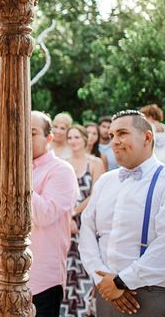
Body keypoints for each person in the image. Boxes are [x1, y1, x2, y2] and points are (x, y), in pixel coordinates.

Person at [79, 110, 165, 316]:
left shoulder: (164, 181)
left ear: (147, 137)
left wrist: (122, 281)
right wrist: (103, 279)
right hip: (105, 293)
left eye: (122, 133)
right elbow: (87, 230)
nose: (115, 141)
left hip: (150, 294)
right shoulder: (105, 181)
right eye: (111, 136)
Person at [0, 111, 78, 317]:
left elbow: (43, 215)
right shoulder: (2, 168)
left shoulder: (61, 170)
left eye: (31, 132)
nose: (22, 138)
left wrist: (18, 172)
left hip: (41, 280)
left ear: (49, 137)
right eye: (18, 131)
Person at [61, 125, 105, 315]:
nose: (73, 141)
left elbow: (98, 194)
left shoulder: (95, 163)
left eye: (77, 137)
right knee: (67, 269)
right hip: (65, 224)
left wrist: (74, 213)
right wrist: (67, 217)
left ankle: (85, 310)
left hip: (87, 222)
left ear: (86, 139)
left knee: (86, 266)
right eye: (70, 137)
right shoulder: (64, 163)